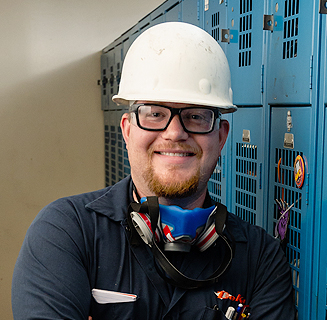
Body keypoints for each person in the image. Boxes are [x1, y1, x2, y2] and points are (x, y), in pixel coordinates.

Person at [12, 22, 295, 320]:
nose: (174, 133)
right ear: (127, 130)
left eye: (196, 116)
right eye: (155, 114)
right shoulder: (66, 232)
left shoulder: (262, 258)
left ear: (221, 136)